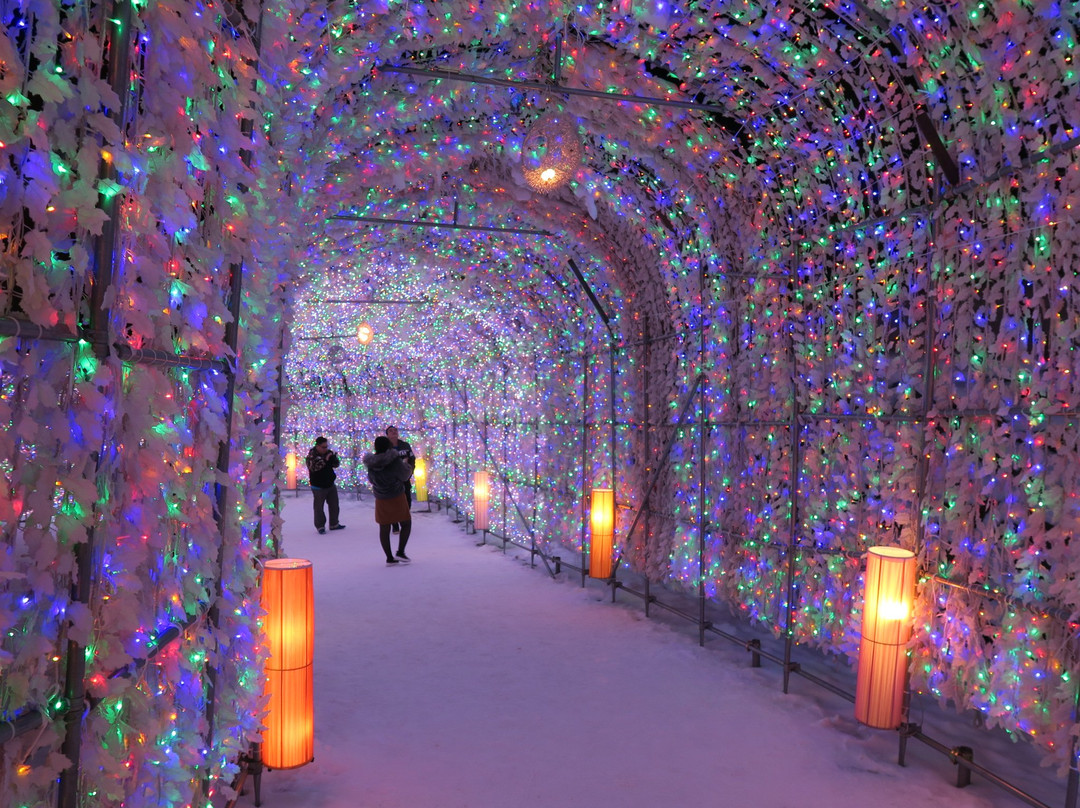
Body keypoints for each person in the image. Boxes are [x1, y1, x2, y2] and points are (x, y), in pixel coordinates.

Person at [363, 435, 413, 564]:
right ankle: (400, 552)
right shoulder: (394, 460)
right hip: (397, 496)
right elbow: (405, 476)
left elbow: (371, 480)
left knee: (384, 527)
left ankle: (389, 557)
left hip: (381, 498)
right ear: (389, 446)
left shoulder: (371, 463)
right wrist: (406, 465)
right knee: (406, 523)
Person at [305, 436, 345, 535]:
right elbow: (314, 467)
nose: (325, 449)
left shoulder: (328, 453)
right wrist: (325, 460)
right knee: (319, 507)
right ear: (317, 446)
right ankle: (320, 526)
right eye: (323, 447)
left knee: (334, 505)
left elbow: (335, 465)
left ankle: (334, 523)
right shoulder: (311, 456)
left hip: (330, 483)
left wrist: (333, 459)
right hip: (318, 486)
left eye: (326, 447)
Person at [385, 425, 416, 534]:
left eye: (395, 430)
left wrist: (409, 471)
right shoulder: (385, 448)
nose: (394, 432)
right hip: (391, 481)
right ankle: (395, 524)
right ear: (387, 434)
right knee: (393, 502)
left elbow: (412, 459)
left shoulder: (405, 446)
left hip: (404, 479)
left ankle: (404, 521)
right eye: (391, 431)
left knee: (407, 501)